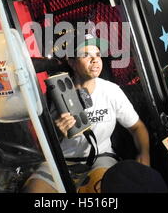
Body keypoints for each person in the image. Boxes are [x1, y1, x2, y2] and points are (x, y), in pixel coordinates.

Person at [22, 33, 150, 193]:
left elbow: (138, 127)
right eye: (86, 55)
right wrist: (57, 132)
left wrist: (144, 155)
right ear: (72, 62)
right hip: (60, 161)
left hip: (101, 157)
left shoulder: (111, 91)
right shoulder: (54, 95)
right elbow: (39, 144)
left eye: (97, 55)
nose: (95, 60)